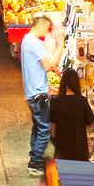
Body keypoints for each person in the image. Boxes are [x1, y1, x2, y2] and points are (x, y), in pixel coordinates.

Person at [21, 15, 66, 174]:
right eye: (47, 28)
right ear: (40, 26)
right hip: (38, 93)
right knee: (44, 129)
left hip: (31, 92)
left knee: (37, 128)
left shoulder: (27, 40)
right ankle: (35, 163)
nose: (47, 32)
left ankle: (34, 157)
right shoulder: (33, 43)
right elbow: (47, 64)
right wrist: (61, 45)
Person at [48, 69, 94, 161]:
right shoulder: (82, 101)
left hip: (62, 150)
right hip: (80, 151)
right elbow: (90, 125)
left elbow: (53, 131)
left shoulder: (55, 102)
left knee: (63, 174)